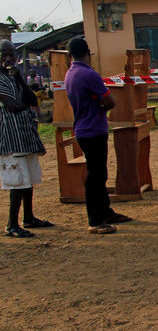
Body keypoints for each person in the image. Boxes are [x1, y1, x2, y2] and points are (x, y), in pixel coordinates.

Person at [63, 38, 133, 234]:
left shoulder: (70, 74)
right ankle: (95, 220)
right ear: (88, 53)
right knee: (96, 175)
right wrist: (104, 106)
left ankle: (105, 212)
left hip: (83, 128)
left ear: (70, 55)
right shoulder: (89, 74)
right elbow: (110, 101)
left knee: (98, 173)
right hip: (94, 129)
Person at [0, 40, 52, 237]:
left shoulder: (15, 76)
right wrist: (24, 104)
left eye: (11, 55)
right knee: (17, 180)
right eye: (3, 55)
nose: (7, 59)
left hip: (25, 135)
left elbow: (31, 100)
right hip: (10, 136)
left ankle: (28, 217)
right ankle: (11, 224)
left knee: (29, 178)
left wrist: (21, 80)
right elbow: (13, 105)